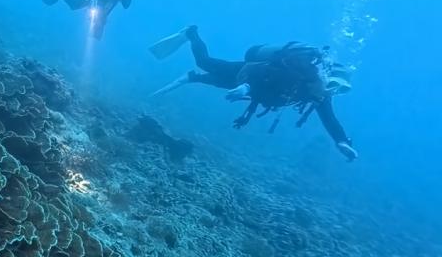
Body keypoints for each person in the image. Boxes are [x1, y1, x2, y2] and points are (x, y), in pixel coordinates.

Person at [151, 27, 358, 160]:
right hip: (246, 73)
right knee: (205, 63)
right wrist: (246, 87)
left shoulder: (319, 95)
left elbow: (330, 119)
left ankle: (192, 77)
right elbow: (259, 72)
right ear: (323, 76)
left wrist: (341, 141)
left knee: (217, 82)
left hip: (255, 91)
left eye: (340, 90)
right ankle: (191, 34)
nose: (332, 92)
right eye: (333, 85)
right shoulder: (295, 74)